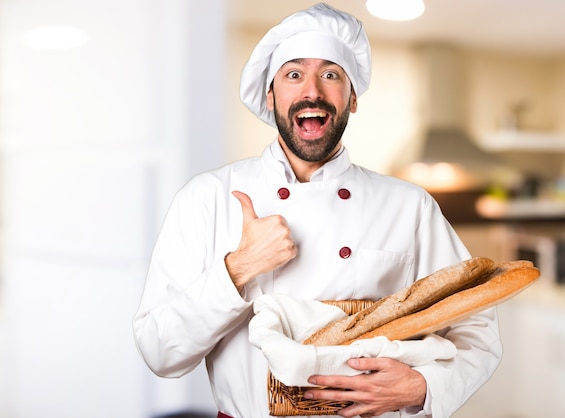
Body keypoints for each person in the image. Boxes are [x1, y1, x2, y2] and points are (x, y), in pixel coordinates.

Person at [133, 3, 502, 418]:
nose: (312, 91)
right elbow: (160, 352)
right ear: (270, 95)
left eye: (331, 75)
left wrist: (424, 386)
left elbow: (476, 329)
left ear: (352, 98)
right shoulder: (207, 198)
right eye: (294, 74)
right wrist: (237, 269)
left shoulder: (408, 205)